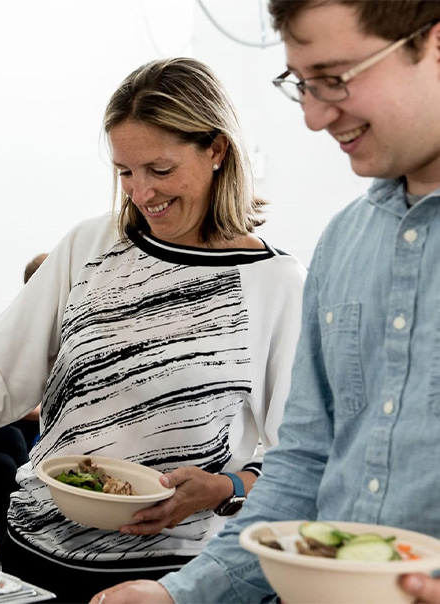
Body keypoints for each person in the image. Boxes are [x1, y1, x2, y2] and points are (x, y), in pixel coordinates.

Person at [0, 57, 306, 602]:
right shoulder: (92, 246)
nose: (141, 193)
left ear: (217, 150)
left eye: (159, 170)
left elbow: (300, 455)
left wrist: (225, 489)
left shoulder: (275, 283)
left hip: (169, 578)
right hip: (37, 553)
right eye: (125, 172)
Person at [95, 3, 440, 603]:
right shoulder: (345, 242)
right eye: (301, 83)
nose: (313, 116)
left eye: (334, 78)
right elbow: (301, 467)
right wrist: (180, 594)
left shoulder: (282, 273)